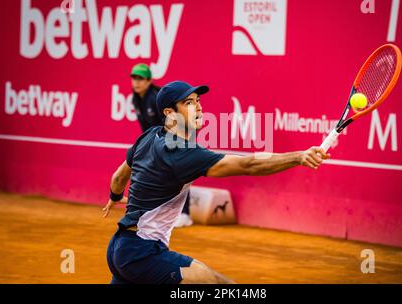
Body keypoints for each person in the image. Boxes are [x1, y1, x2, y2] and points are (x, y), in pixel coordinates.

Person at [103, 81, 330, 284]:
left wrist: (114, 197)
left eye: (198, 101)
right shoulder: (181, 152)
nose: (199, 107)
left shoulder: (150, 135)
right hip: (141, 253)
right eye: (189, 103)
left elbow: (118, 177)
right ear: (170, 113)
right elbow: (248, 164)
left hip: (119, 248)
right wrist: (298, 157)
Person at [129, 63, 193, 227]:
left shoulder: (156, 98)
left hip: (179, 133)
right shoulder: (135, 99)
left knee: (180, 174)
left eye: (140, 78)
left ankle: (185, 214)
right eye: (134, 78)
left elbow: (175, 120)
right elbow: (146, 128)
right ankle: (155, 212)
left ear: (149, 81)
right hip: (160, 138)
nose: (136, 82)